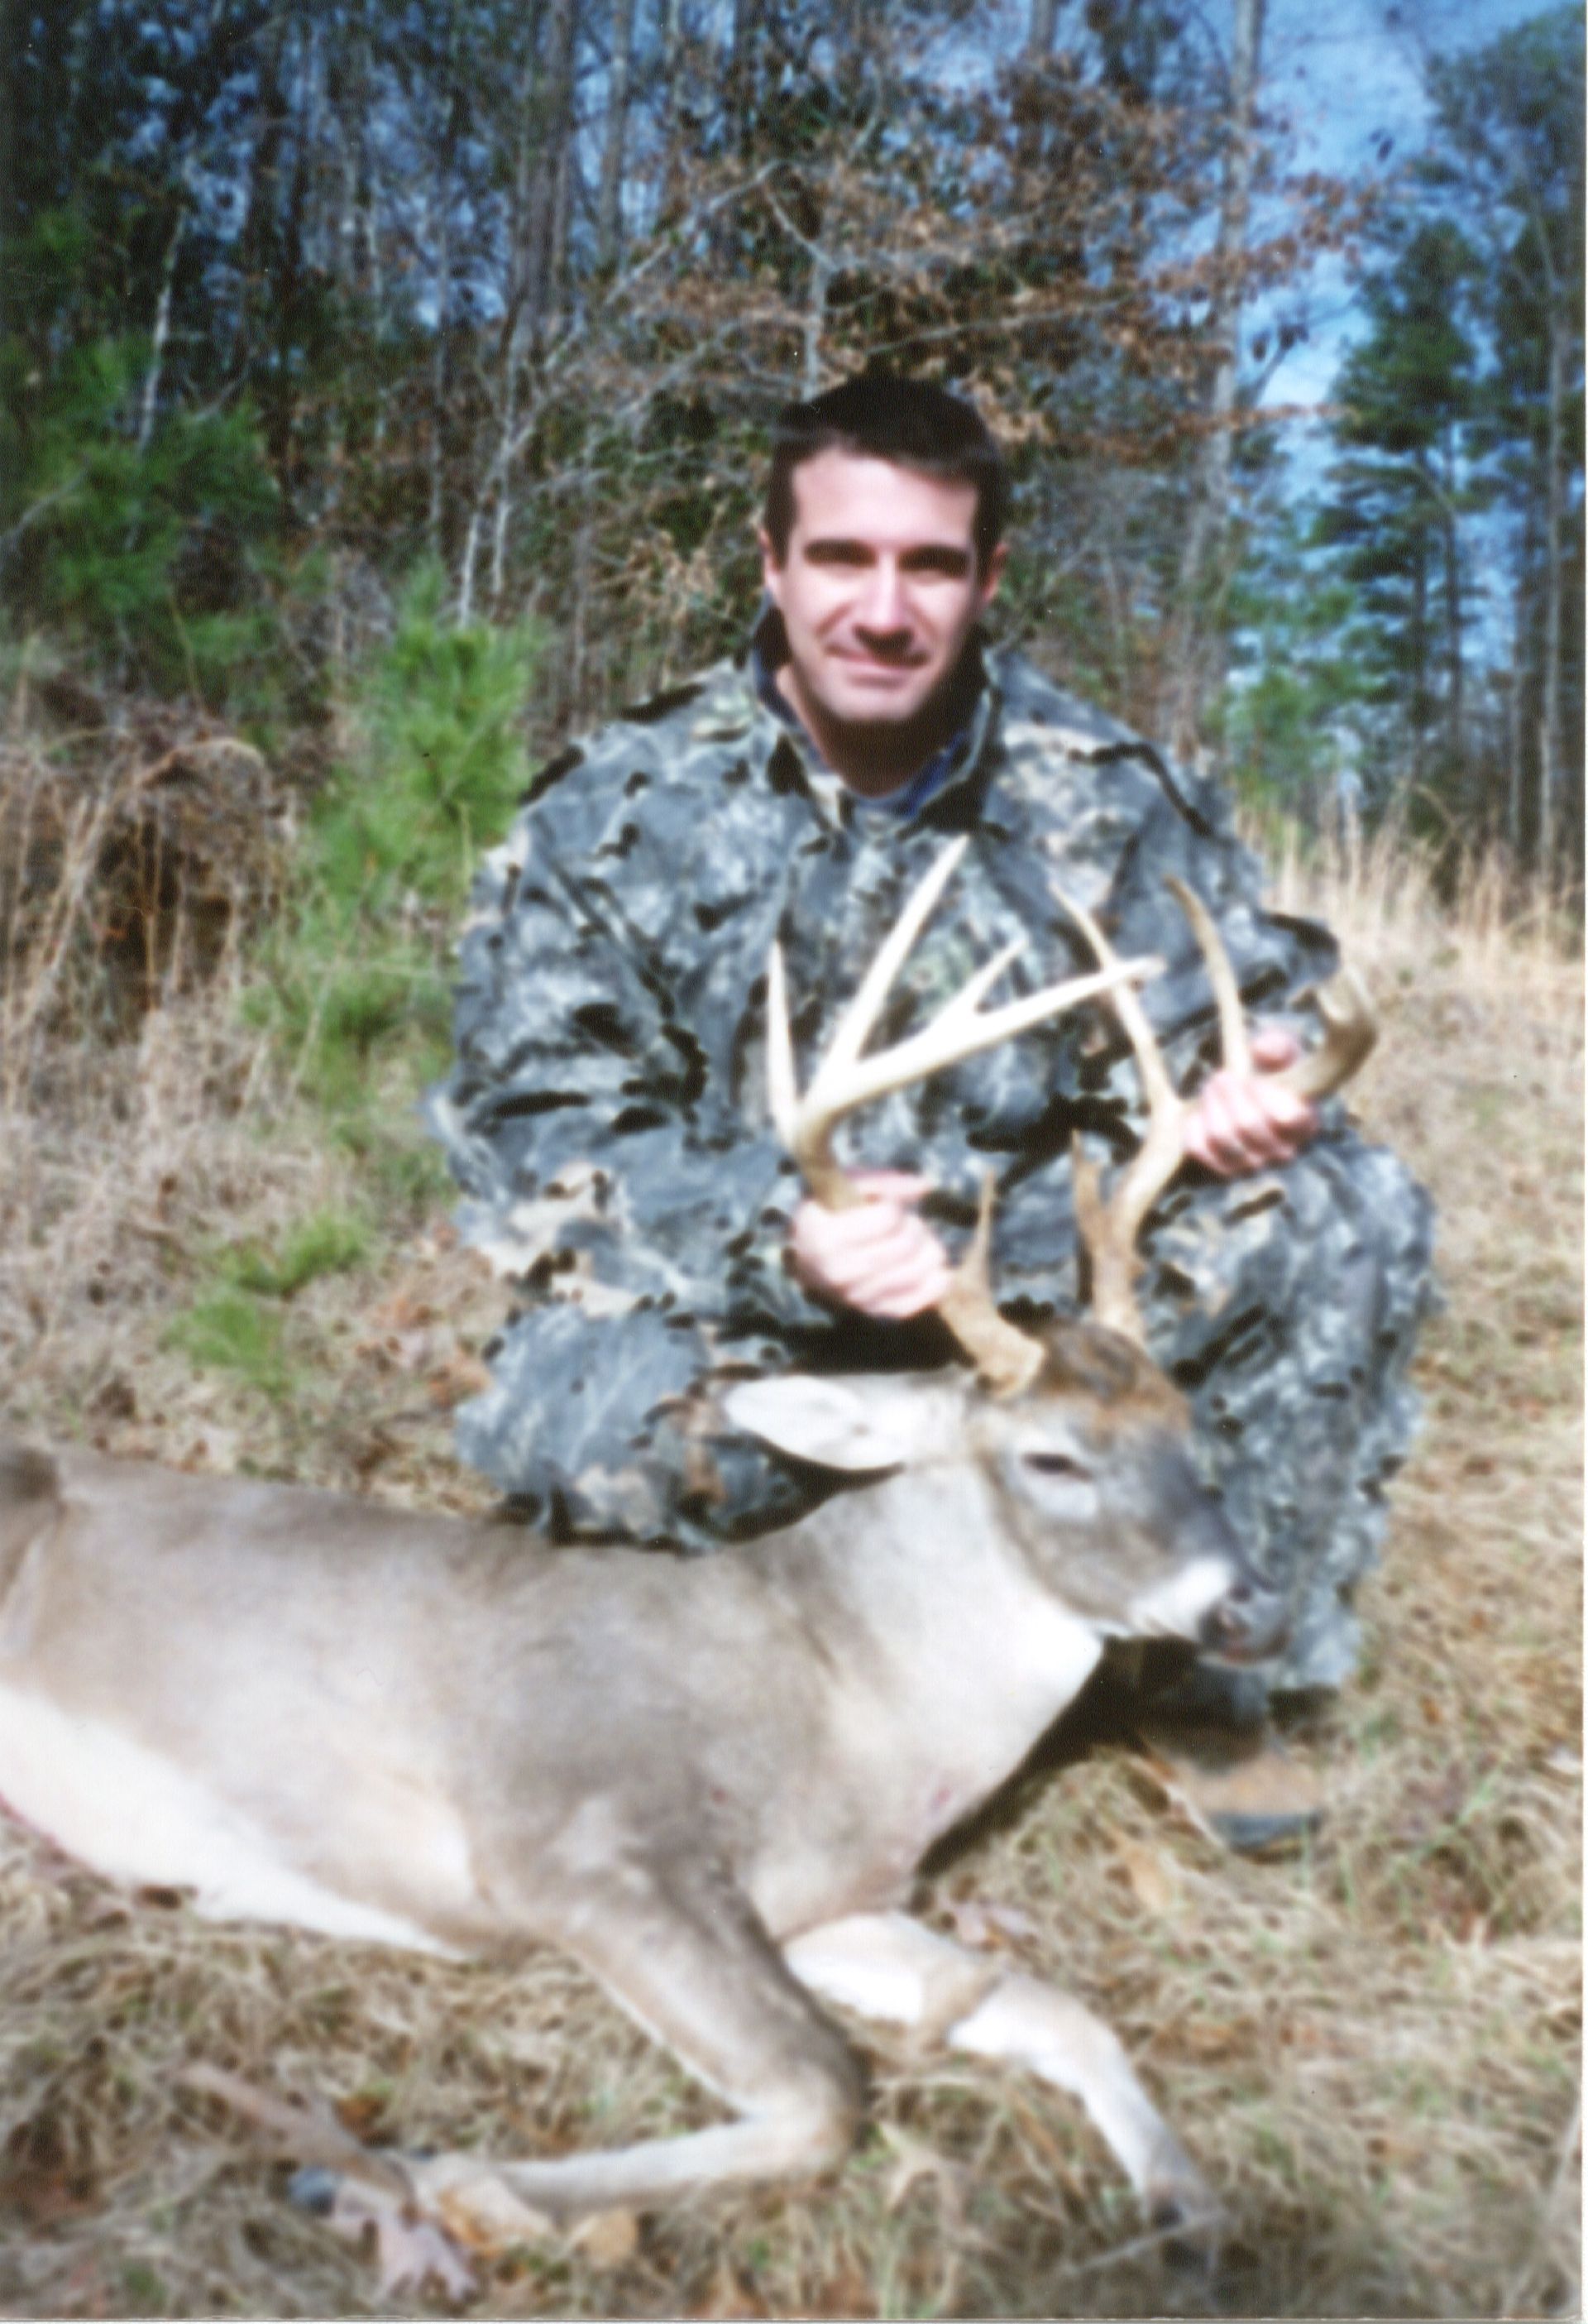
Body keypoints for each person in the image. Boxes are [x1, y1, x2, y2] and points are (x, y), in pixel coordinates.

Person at [430, 374, 1434, 1847]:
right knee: (598, 1438)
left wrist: (1253, 1085)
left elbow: (1251, 1001)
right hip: (745, 1295)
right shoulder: (616, 808)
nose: (883, 609)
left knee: (1341, 1215)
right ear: (770, 562)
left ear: (988, 578)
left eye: (930, 564)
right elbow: (528, 1132)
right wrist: (782, 1237)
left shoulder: (1095, 789)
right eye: (841, 557)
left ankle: (1196, 1672)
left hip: (1024, 1292)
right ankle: (743, 1678)